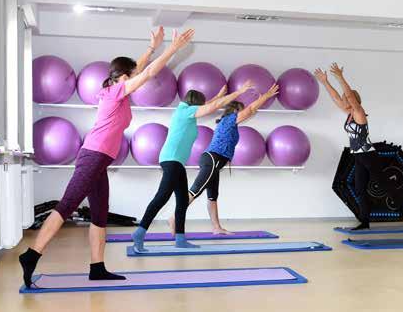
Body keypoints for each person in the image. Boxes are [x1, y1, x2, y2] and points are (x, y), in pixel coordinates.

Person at [18, 27, 195, 288]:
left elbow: (139, 69)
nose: (135, 80)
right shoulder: (114, 93)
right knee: (67, 205)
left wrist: (151, 48)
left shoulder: (115, 89)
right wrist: (173, 48)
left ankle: (97, 267)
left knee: (100, 214)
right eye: (131, 77)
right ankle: (31, 255)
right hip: (93, 157)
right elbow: (146, 73)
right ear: (123, 77)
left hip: (100, 161)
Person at [131, 81, 256, 251]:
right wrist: (239, 92)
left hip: (177, 162)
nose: (202, 108)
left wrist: (218, 96)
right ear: (195, 104)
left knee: (182, 201)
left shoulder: (186, 111)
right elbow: (212, 107)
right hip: (171, 160)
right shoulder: (185, 112)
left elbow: (208, 105)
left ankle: (180, 239)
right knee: (162, 197)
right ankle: (140, 232)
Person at [170, 83, 279, 235]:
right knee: (195, 191)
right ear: (235, 111)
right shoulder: (229, 119)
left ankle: (216, 227)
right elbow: (250, 110)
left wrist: (256, 101)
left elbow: (250, 111)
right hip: (213, 160)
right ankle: (174, 217)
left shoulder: (226, 122)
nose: (245, 114)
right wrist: (266, 96)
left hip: (213, 161)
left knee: (212, 197)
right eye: (241, 110)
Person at [314, 63, 374, 230]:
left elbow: (349, 96)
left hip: (369, 155)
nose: (344, 100)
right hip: (359, 155)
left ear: (353, 100)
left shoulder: (359, 112)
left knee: (382, 184)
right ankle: (365, 222)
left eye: (347, 99)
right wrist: (326, 82)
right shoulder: (349, 114)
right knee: (359, 188)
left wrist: (340, 77)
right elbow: (336, 97)